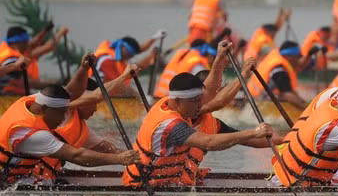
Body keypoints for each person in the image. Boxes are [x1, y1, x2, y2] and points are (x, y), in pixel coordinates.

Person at [122, 71, 274, 187]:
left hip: (169, 183)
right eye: (195, 101)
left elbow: (211, 93)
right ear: (178, 101)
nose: (200, 106)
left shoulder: (173, 103)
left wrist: (285, 141)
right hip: (142, 186)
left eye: (200, 101)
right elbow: (209, 142)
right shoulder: (171, 125)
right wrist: (253, 132)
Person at [0, 83, 140, 185]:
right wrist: (119, 159)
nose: (96, 110)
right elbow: (76, 156)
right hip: (15, 181)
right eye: (94, 104)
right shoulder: (32, 133)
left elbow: (100, 146)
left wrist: (127, 154)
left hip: (28, 176)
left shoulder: (36, 102)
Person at [38, 60, 142, 180]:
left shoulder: (79, 127)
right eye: (93, 104)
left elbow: (103, 148)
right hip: (28, 178)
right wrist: (124, 76)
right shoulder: (62, 111)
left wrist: (131, 156)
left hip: (45, 176)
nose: (95, 109)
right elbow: (97, 95)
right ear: (84, 100)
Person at [247, 41, 309, 110]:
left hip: (253, 99)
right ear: (289, 56)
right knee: (289, 97)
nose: (299, 60)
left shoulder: (278, 58)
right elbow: (287, 94)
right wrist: (307, 110)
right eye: (297, 57)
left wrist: (302, 102)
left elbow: (289, 92)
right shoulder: (279, 69)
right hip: (258, 103)